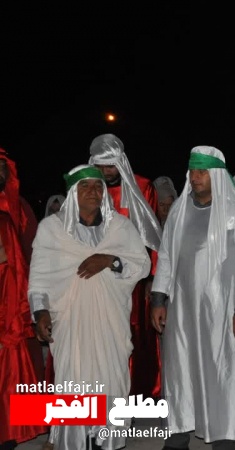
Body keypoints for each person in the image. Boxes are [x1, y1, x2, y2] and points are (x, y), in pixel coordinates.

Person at [29, 165, 150, 450]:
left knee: (111, 381)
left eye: (98, 186)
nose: (93, 192)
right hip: (70, 323)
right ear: (72, 192)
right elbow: (39, 279)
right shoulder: (51, 229)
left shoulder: (120, 227)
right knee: (73, 382)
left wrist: (110, 260)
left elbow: (142, 265)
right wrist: (40, 312)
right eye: (85, 186)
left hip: (110, 324)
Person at [150, 146, 235, 450]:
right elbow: (167, 257)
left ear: (217, 176)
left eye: (202, 172)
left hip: (223, 310)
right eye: (192, 171)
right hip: (183, 308)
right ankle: (178, 432)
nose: (195, 177)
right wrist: (158, 299)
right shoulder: (179, 211)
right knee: (180, 369)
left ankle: (225, 434)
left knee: (223, 370)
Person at [89, 133, 162, 398]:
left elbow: (152, 236)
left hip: (133, 279)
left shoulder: (142, 186)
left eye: (111, 165)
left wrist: (153, 278)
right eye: (100, 166)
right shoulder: (88, 188)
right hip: (96, 277)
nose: (106, 172)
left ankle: (136, 393)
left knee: (133, 334)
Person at [0, 149, 46, 450]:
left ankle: (11, 430)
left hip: (13, 299)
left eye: (2, 168)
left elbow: (33, 254)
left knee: (15, 366)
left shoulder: (19, 209)